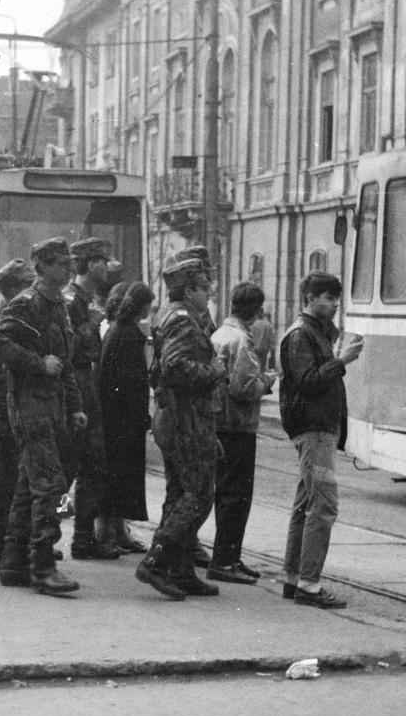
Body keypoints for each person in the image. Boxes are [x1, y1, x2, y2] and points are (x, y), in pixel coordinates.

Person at [0, 238, 86, 594]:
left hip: (52, 409)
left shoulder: (57, 304)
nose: (69, 269)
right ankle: (43, 566)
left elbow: (65, 362)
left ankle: (14, 562)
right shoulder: (26, 303)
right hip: (30, 408)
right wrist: (37, 364)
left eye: (70, 262)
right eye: (61, 263)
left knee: (29, 485)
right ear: (42, 266)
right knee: (53, 488)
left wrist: (74, 406)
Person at [137, 256, 224, 601]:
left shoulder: (172, 316)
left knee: (179, 493)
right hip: (188, 419)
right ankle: (156, 563)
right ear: (189, 290)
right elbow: (174, 368)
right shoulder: (184, 321)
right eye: (205, 288)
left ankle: (182, 570)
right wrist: (214, 371)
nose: (209, 294)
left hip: (183, 416)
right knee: (198, 495)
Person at [278, 271, 363, 609]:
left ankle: (293, 577)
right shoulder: (301, 335)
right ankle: (309, 585)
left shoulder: (315, 333)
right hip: (312, 428)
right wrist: (341, 361)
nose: (334, 303)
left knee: (306, 502)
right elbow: (308, 383)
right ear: (310, 298)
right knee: (323, 505)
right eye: (326, 296)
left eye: (335, 297)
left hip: (318, 427)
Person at [208, 282, 274, 585]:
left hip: (219, 422)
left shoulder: (219, 333)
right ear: (256, 310)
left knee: (224, 491)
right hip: (239, 424)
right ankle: (225, 559)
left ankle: (228, 556)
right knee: (237, 494)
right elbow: (244, 388)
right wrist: (267, 382)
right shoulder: (242, 340)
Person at [65, 238, 123, 560]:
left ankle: (83, 537)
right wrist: (92, 324)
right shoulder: (71, 301)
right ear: (87, 264)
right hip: (73, 387)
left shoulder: (88, 300)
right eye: (102, 260)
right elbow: (68, 347)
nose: (108, 265)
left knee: (93, 465)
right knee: (65, 467)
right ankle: (44, 532)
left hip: (88, 385)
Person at [0, 259, 36, 571]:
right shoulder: (5, 322)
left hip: (12, 408)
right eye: (28, 284)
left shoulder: (19, 318)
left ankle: (18, 542)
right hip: (0, 409)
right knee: (0, 481)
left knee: (19, 480)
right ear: (13, 290)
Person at [97, 281, 153, 554]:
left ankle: (117, 531)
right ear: (142, 307)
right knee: (118, 478)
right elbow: (131, 383)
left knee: (119, 477)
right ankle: (107, 533)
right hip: (123, 419)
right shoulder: (127, 334)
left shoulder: (118, 331)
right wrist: (141, 414)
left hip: (116, 417)